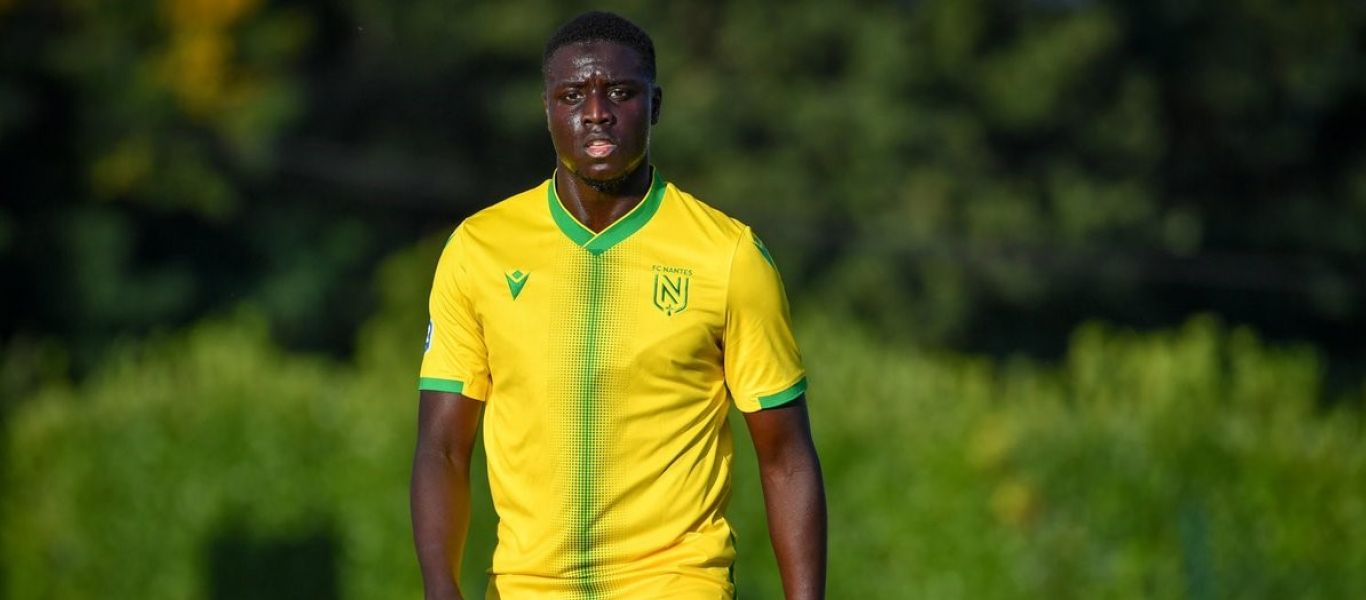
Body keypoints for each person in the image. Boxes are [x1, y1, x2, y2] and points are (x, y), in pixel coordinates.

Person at [411, 11, 826, 600]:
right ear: (547, 109)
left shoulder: (728, 255)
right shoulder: (478, 250)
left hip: (677, 584)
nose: (596, 112)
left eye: (621, 93)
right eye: (572, 95)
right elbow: (443, 448)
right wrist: (439, 587)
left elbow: (786, 456)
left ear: (655, 105)